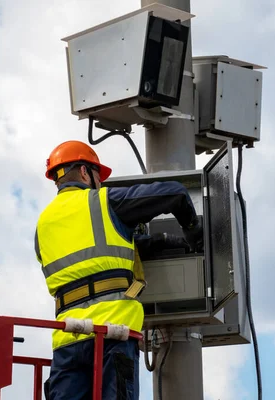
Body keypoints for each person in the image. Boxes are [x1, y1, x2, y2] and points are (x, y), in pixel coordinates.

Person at [35, 140, 203, 400]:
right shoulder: (104, 201)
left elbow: (94, 255)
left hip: (67, 341)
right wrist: (192, 231)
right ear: (84, 172)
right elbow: (176, 193)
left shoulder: (43, 225)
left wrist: (159, 242)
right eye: (97, 177)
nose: (99, 184)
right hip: (111, 334)